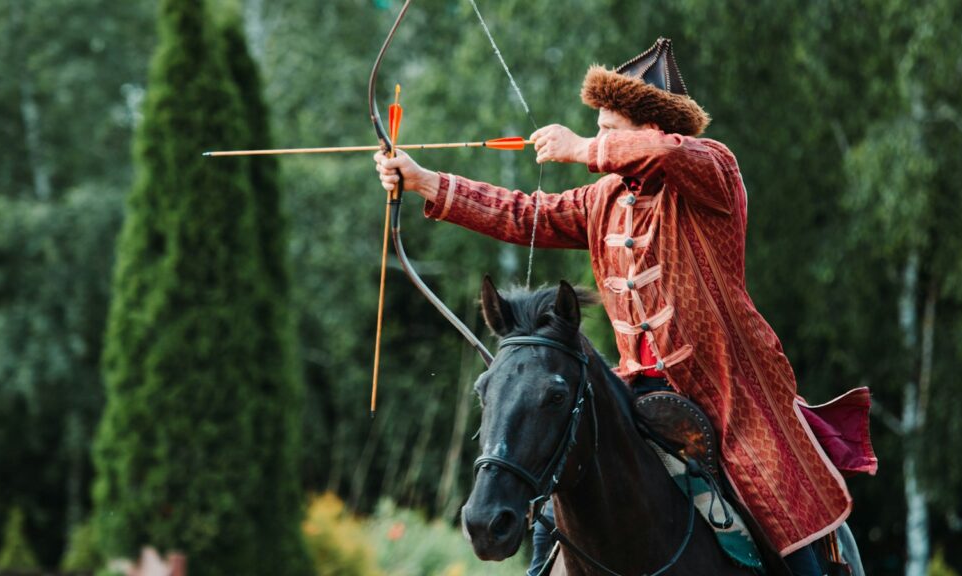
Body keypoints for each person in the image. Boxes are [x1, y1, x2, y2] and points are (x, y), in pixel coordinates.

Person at [374, 38, 876, 576]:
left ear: (653, 128)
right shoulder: (604, 199)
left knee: (789, 523)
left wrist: (579, 150)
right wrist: (426, 181)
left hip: (734, 399)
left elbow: (670, 155)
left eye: (609, 131)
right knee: (563, 477)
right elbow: (524, 214)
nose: (599, 141)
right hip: (638, 392)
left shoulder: (712, 173)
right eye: (598, 132)